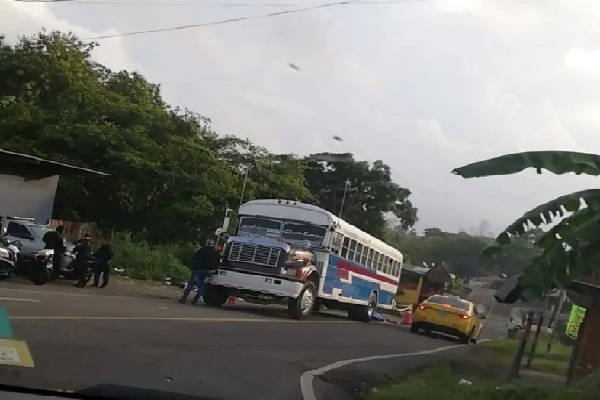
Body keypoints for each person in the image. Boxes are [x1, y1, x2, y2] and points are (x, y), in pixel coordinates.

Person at [178, 239, 221, 305]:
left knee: (191, 284)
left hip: (198, 270)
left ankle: (184, 298)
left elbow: (194, 258)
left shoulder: (202, 250)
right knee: (202, 286)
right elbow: (218, 263)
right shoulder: (216, 253)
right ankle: (195, 299)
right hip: (208, 272)